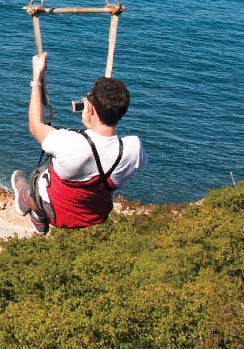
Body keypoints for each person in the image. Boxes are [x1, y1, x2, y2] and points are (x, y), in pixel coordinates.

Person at [12, 52, 146, 233]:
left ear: (90, 108)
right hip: (96, 214)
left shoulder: (70, 144)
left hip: (54, 211)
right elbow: (103, 150)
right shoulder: (133, 149)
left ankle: (31, 206)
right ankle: (37, 213)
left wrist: (37, 78)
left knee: (33, 178)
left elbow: (35, 125)